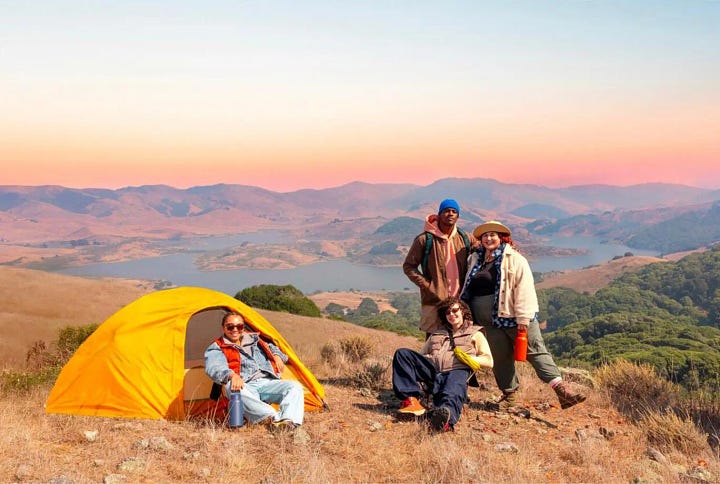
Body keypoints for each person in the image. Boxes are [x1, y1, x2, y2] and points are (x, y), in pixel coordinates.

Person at [460, 221, 586, 410]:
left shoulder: (514, 259)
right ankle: (510, 396)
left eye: (493, 234)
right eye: (485, 235)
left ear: (502, 237)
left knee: (534, 351)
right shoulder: (475, 259)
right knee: (500, 357)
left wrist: (523, 319)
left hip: (514, 317)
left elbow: (524, 289)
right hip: (488, 322)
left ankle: (562, 391)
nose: (488, 238)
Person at [392, 297, 494, 432]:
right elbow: (420, 355)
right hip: (433, 370)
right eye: (447, 312)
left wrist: (469, 359)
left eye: (455, 310)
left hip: (457, 370)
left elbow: (489, 361)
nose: (451, 314)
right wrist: (428, 358)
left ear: (463, 311)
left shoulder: (475, 334)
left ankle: (445, 421)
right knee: (403, 354)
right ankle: (411, 401)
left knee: (451, 392)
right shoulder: (436, 334)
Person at [204, 312, 304, 430]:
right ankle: (274, 419)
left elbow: (271, 347)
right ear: (223, 328)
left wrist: (277, 355)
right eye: (230, 326)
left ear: (243, 327)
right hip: (245, 385)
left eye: (239, 326)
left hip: (266, 382)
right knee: (231, 386)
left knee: (294, 386)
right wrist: (232, 375)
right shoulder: (218, 346)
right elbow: (215, 367)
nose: (235, 330)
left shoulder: (255, 339)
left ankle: (289, 421)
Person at [403, 198, 477, 336]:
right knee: (434, 342)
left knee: (460, 341)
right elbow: (408, 266)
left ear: (458, 216)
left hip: (460, 302)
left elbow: (484, 249)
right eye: (446, 211)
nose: (450, 214)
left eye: (454, 211)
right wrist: (428, 286)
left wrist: (508, 245)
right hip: (435, 301)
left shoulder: (465, 238)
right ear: (439, 215)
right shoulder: (425, 239)